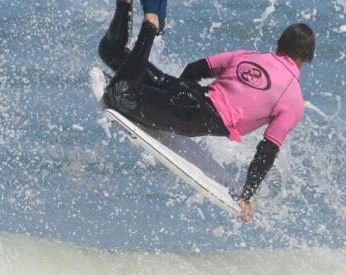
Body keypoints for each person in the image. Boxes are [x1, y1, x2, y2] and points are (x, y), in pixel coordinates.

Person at [99, 0, 315, 222]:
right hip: (196, 116)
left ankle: (125, 5)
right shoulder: (293, 100)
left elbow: (195, 69)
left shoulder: (248, 55)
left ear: (280, 44)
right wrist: (246, 196)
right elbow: (266, 151)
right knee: (117, 96)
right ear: (307, 57)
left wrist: (168, 101)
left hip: (188, 93)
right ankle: (150, 24)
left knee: (111, 52)